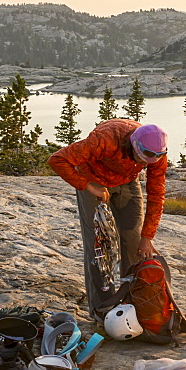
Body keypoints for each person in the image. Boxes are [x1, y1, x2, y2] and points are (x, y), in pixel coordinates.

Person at [47, 118, 168, 318]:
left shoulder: (155, 151)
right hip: (93, 178)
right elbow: (57, 159)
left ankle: (133, 303)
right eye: (145, 157)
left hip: (127, 180)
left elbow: (156, 193)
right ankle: (102, 311)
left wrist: (147, 237)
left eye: (155, 158)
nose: (149, 162)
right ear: (135, 146)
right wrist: (87, 185)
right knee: (98, 245)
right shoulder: (104, 140)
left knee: (134, 241)